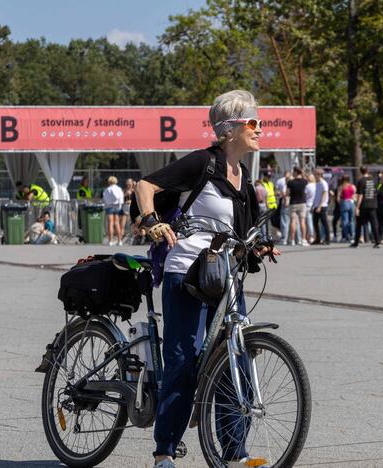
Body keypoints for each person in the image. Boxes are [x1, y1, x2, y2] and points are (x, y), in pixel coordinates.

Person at [132, 89, 278, 468]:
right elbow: (146, 186)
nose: (260, 129)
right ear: (229, 130)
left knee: (237, 359)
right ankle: (165, 452)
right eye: (253, 122)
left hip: (226, 277)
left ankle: (235, 453)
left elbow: (245, 233)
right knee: (183, 360)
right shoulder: (202, 164)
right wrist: (152, 221)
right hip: (187, 272)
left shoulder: (245, 180)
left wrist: (261, 247)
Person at [350, 166, 380, 248]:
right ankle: (377, 241)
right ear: (368, 170)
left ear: (360, 172)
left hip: (364, 205)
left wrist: (357, 207)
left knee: (359, 224)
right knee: (374, 224)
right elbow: (375, 192)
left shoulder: (361, 181)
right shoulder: (374, 180)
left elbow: (360, 195)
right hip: (373, 204)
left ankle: (356, 242)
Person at [286, 167, 309, 246]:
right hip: (302, 203)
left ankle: (292, 240)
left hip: (293, 203)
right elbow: (308, 178)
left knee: (293, 221)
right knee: (302, 221)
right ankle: (303, 239)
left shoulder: (290, 182)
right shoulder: (304, 181)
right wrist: (303, 172)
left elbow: (287, 193)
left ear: (295, 172)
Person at [102, 176, 125, 246]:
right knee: (117, 223)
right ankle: (120, 240)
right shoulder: (119, 189)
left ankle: (110, 241)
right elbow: (121, 198)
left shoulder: (107, 189)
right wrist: (120, 206)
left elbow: (105, 199)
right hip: (117, 206)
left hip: (109, 207)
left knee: (110, 223)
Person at [311, 169, 330, 244]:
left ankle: (327, 239)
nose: (314, 176)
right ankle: (318, 239)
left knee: (324, 223)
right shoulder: (317, 183)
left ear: (319, 175)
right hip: (316, 205)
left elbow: (324, 194)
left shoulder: (323, 183)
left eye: (315, 174)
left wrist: (320, 206)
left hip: (322, 206)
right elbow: (317, 195)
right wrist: (314, 205)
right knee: (315, 223)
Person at [337, 174, 356, 242]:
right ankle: (353, 236)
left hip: (344, 202)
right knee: (352, 221)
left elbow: (338, 198)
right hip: (351, 203)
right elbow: (354, 196)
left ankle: (345, 236)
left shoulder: (341, 187)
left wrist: (341, 203)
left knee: (345, 221)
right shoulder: (353, 186)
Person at [275, 171, 291, 243]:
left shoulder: (287, 185)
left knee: (284, 221)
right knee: (291, 222)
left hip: (286, 203)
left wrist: (282, 194)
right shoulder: (292, 183)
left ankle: (284, 238)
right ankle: (293, 239)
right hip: (293, 203)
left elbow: (285, 195)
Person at [260, 171, 277, 237]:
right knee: (266, 222)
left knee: (271, 222)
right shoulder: (262, 183)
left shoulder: (271, 183)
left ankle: (268, 235)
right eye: (268, 177)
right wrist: (266, 204)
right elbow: (264, 196)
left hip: (273, 205)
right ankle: (266, 235)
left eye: (270, 177)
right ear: (264, 176)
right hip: (267, 205)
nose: (269, 178)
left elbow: (273, 192)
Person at [303, 173, 316, 243]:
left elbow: (305, 195)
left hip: (308, 204)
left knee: (309, 222)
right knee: (315, 222)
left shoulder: (307, 186)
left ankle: (311, 236)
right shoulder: (316, 185)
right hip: (314, 204)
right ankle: (315, 235)